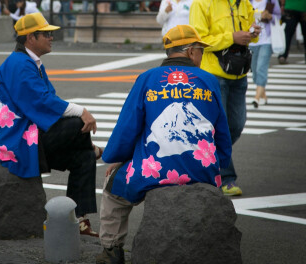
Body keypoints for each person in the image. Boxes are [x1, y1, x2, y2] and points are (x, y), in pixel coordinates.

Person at [96, 25, 232, 264]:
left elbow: (128, 127)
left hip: (154, 169)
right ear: (191, 52)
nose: (202, 56)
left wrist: (116, 158)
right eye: (201, 50)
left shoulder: (147, 79)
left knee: (112, 190)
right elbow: (222, 133)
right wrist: (218, 162)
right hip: (202, 169)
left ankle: (111, 250)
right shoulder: (209, 80)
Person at [0, 12, 101, 236]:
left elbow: (47, 102)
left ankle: (77, 217)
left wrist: (78, 114)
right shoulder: (19, 63)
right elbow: (42, 102)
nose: (51, 37)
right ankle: (91, 146)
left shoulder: (28, 61)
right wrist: (82, 111)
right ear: (31, 37)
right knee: (74, 124)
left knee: (84, 157)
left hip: (31, 136)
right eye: (47, 34)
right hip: (18, 142)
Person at [189, 0, 261, 196]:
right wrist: (231, 36)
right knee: (220, 127)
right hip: (213, 74)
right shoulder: (202, 1)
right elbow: (199, 40)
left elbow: (249, 24)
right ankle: (226, 177)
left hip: (239, 71)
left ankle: (205, 157)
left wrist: (252, 32)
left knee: (236, 125)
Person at [247, 0, 281, 107]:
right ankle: (264, 95)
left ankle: (257, 97)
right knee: (254, 70)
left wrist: (270, 16)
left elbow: (278, 16)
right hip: (251, 39)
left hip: (267, 38)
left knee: (261, 67)